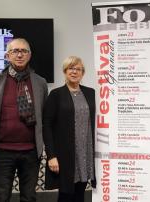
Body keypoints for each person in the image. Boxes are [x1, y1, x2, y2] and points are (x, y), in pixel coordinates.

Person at [0, 38, 48, 202]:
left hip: (31, 151)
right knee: (1, 198)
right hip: (2, 152)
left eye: (24, 51)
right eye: (15, 51)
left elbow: (43, 114)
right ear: (7, 56)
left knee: (29, 197)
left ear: (29, 55)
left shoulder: (40, 83)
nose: (20, 54)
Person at [43, 56, 96, 202]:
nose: (74, 72)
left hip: (85, 153)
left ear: (83, 73)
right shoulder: (56, 94)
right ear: (65, 71)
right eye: (70, 68)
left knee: (80, 194)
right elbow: (46, 126)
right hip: (65, 154)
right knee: (66, 195)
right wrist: (51, 155)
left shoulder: (90, 93)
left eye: (78, 69)